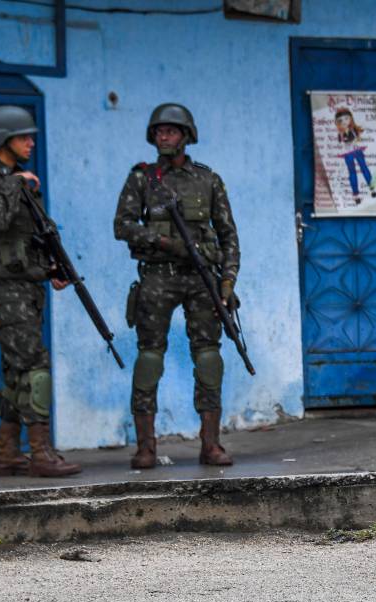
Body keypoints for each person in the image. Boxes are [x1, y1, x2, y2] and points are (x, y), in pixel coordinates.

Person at [114, 103, 240, 468]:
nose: (163, 137)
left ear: (186, 136)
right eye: (159, 131)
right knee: (149, 357)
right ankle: (145, 447)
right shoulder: (142, 178)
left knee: (208, 357)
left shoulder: (208, 179)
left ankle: (211, 443)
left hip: (202, 279)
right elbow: (122, 225)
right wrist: (165, 242)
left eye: (171, 131)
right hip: (156, 277)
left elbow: (229, 235)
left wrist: (228, 281)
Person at [0, 105, 82, 476]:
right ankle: (41, 454)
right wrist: (17, 184)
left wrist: (52, 268)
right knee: (35, 367)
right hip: (4, 292)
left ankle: (8, 452)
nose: (31, 142)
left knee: (16, 371)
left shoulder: (20, 180)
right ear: (2, 139)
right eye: (23, 136)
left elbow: (32, 236)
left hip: (28, 290)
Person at [335, 108, 376, 205]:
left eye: (346, 118)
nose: (344, 122)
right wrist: (343, 133)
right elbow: (343, 142)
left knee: (364, 168)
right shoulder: (340, 134)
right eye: (341, 120)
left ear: (350, 118)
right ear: (338, 123)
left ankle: (372, 187)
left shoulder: (354, 130)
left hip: (357, 150)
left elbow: (356, 138)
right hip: (348, 153)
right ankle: (356, 194)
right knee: (352, 172)